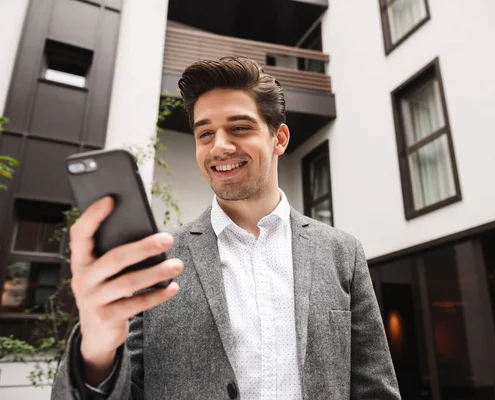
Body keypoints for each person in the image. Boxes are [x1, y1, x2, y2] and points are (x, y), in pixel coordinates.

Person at [51, 56, 401, 399]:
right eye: (205, 133)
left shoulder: (342, 251)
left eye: (239, 128)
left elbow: (374, 388)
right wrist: (96, 351)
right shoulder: (157, 260)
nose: (219, 146)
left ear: (279, 139)